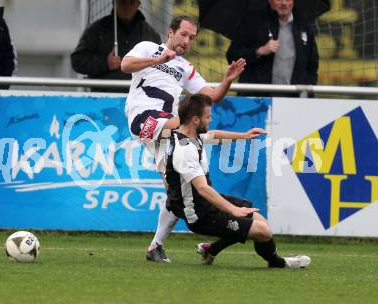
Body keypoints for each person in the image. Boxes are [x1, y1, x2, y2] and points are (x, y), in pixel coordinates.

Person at [120, 15, 246, 262]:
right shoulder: (149, 48)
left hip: (167, 130)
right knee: (191, 125)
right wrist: (158, 59)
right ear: (171, 32)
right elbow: (125, 65)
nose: (187, 41)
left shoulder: (185, 68)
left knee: (176, 190)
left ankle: (156, 246)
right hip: (144, 118)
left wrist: (227, 81)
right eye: (183, 34)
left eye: (192, 38)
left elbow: (210, 95)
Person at [165, 93, 311, 268]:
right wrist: (233, 209)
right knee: (263, 232)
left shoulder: (185, 134)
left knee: (261, 222)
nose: (210, 119)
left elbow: (211, 135)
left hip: (205, 203)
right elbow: (202, 188)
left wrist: (244, 136)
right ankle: (278, 263)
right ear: (196, 120)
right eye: (208, 117)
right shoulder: (185, 150)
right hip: (200, 215)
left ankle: (210, 249)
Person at [226, 0, 319, 97]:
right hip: (257, 100)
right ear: (270, 1)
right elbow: (232, 56)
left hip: (293, 101)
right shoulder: (252, 21)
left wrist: (305, 92)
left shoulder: (304, 25)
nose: (284, 3)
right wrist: (258, 51)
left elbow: (313, 65)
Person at [70, 0, 161, 91]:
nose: (126, 7)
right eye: (122, 2)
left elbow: (160, 66)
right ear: (114, 3)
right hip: (103, 95)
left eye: (131, 2)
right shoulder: (97, 30)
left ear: (138, 5)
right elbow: (77, 61)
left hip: (140, 96)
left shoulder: (150, 34)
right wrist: (105, 63)